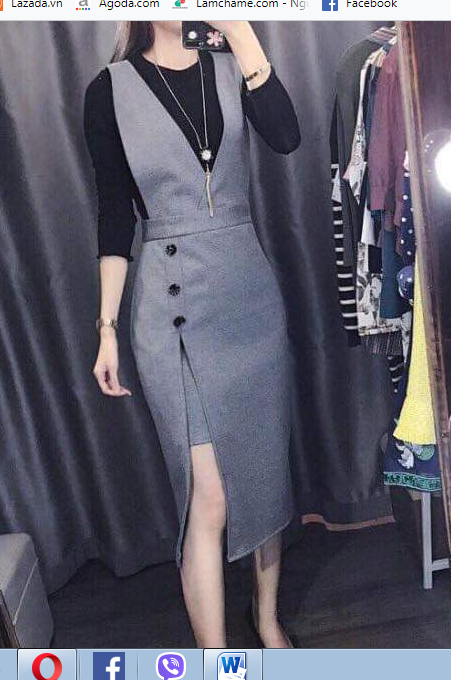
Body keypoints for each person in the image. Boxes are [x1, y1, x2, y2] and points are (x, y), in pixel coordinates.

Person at [84, 20, 300, 648]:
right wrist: (106, 329)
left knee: (263, 471)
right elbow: (113, 215)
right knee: (210, 497)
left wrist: (241, 32)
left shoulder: (234, 66)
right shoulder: (110, 90)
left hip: (248, 299)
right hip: (170, 312)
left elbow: (286, 137)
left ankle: (266, 619)